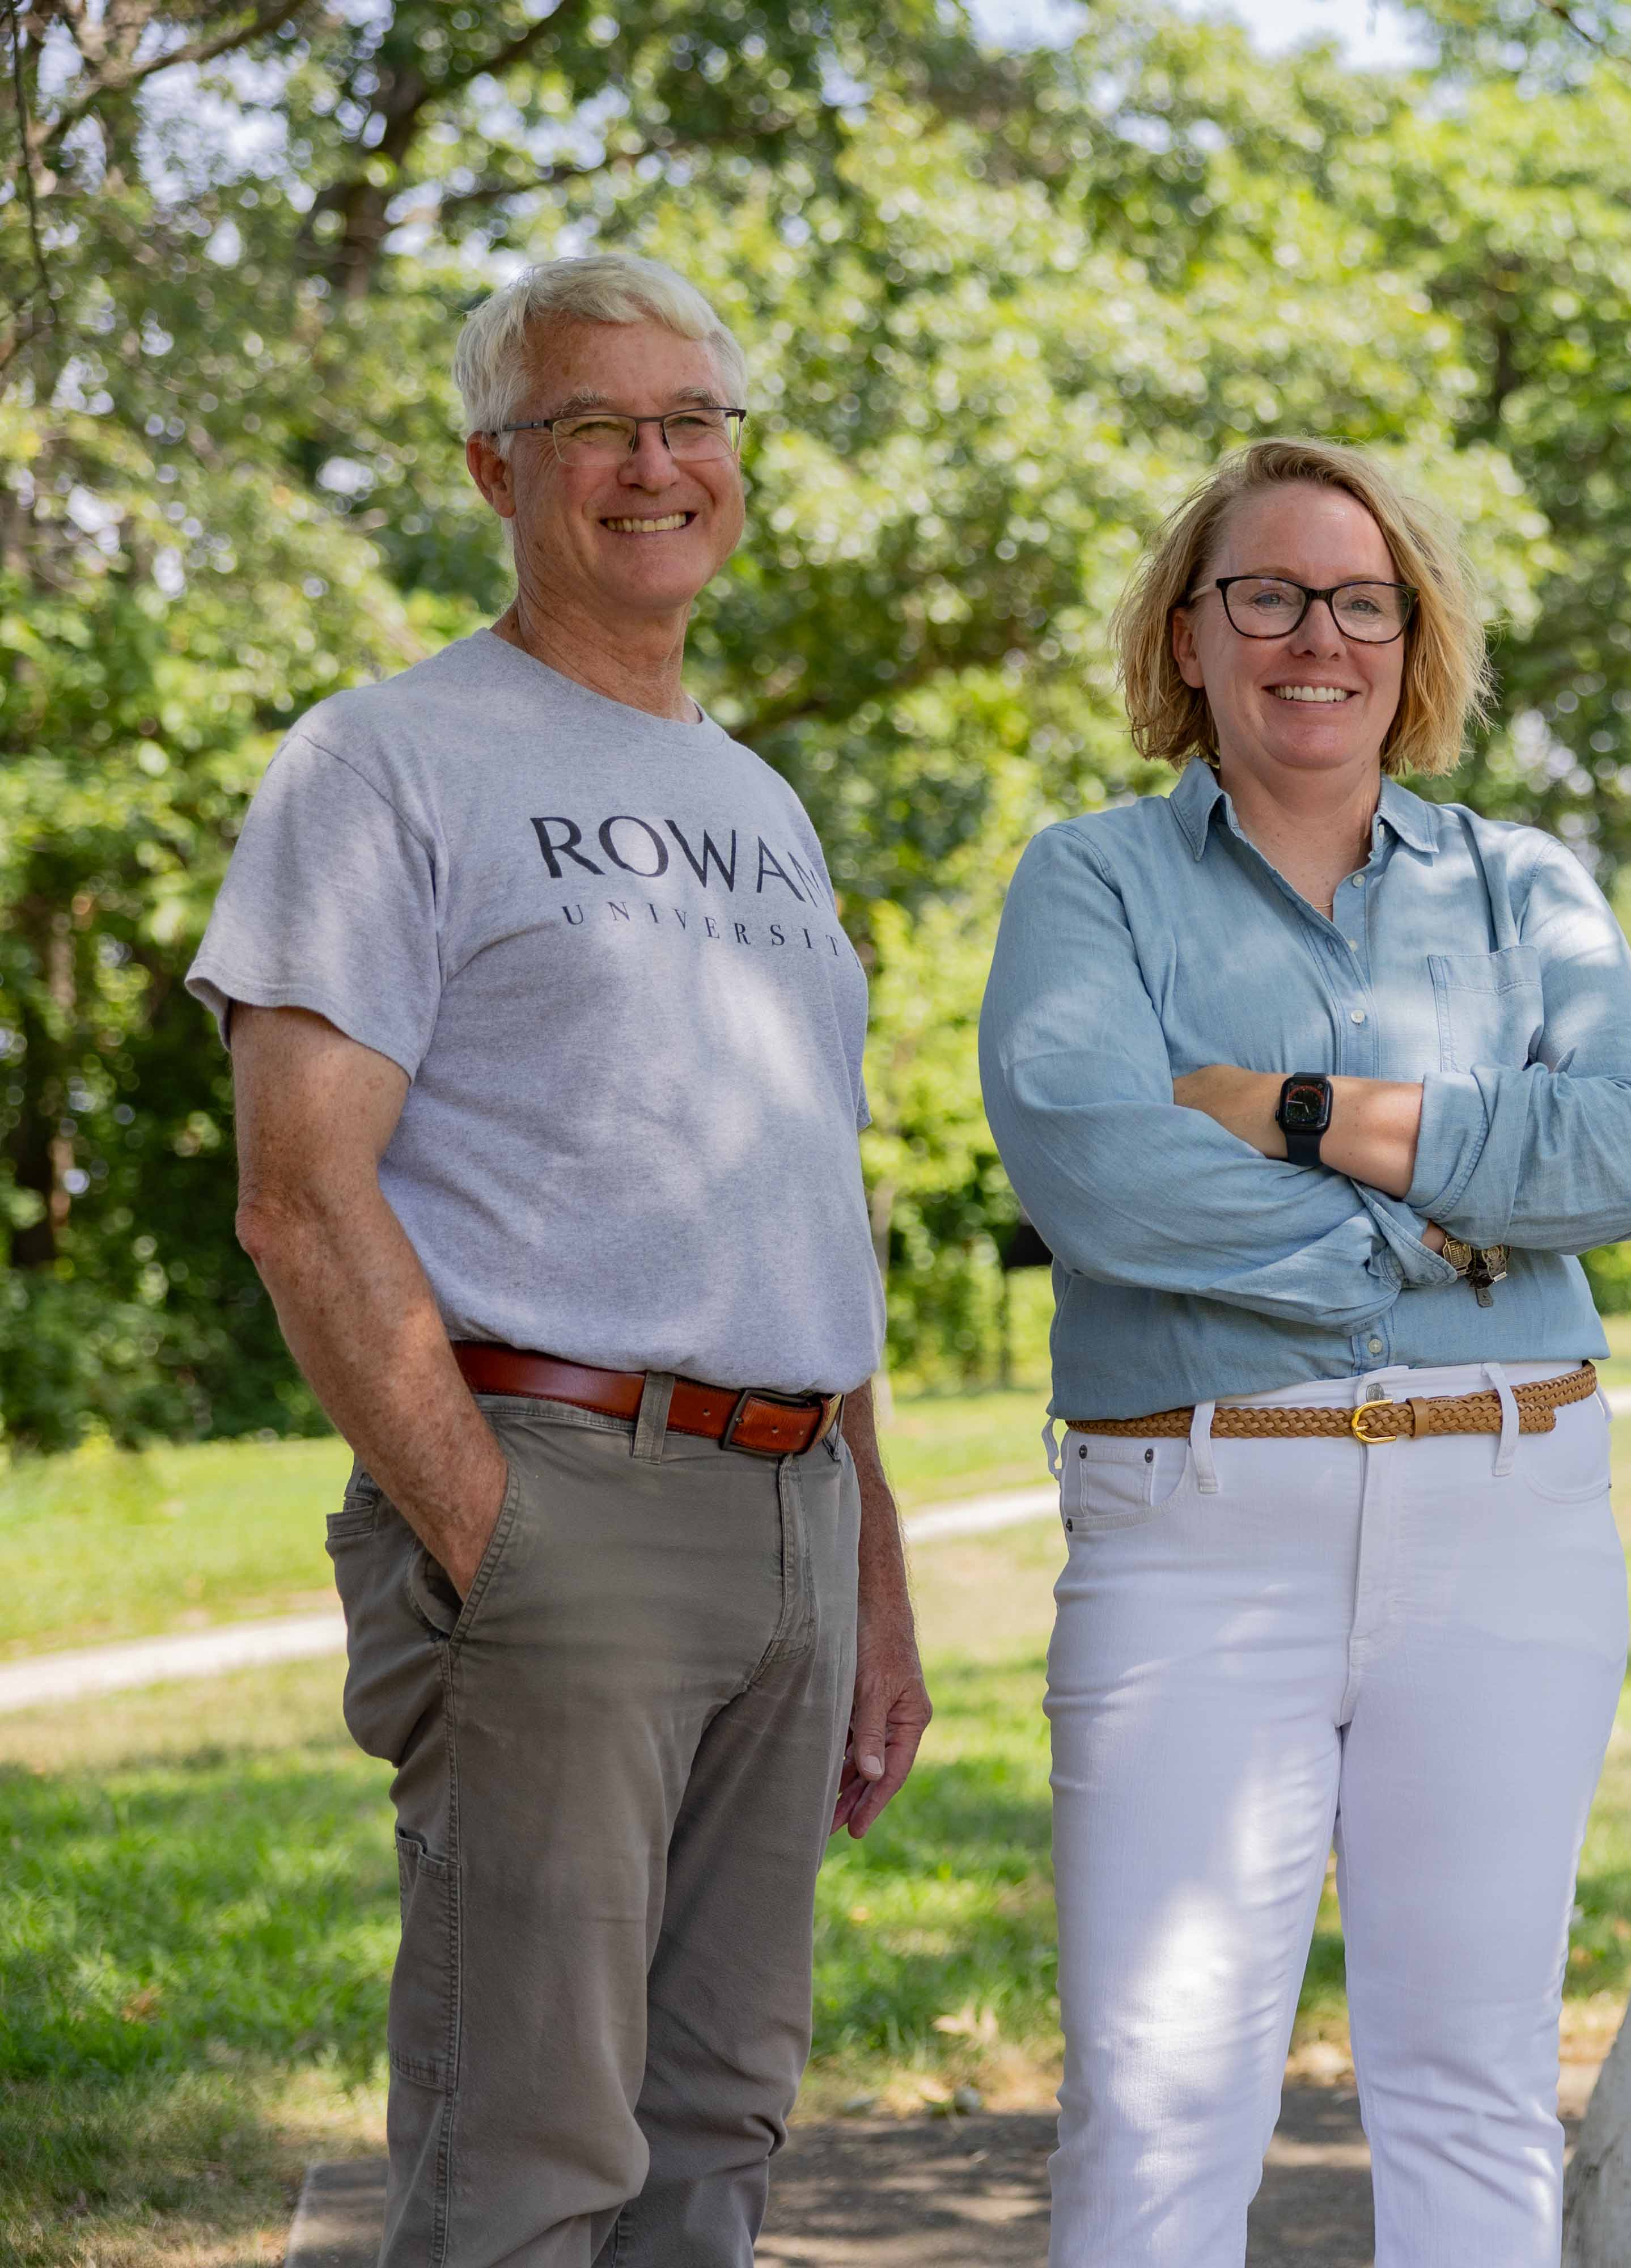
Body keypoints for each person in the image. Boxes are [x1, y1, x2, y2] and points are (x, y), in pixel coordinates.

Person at [188, 253, 929, 2266]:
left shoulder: (755, 799)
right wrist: (488, 1527)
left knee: (716, 2127)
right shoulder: (387, 761)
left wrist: (872, 1564)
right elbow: (298, 1193)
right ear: (493, 470)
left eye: (692, 418)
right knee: (528, 2160)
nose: (655, 462)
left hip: (790, 1512)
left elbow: (797, 1192)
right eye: (596, 424)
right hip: (561, 1496)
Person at [979, 438, 1631, 2263]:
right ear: (1192, 635)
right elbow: (1105, 1177)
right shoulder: (1094, 885)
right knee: (1154, 2099)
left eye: (1360, 600)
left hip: (1509, 1513)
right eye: (1269, 596)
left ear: (1412, 634)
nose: (1319, 636)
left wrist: (1287, 1110)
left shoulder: (1524, 885)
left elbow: (1624, 1149)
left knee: (1471, 2085)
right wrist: (1452, 1223)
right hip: (1201, 1523)